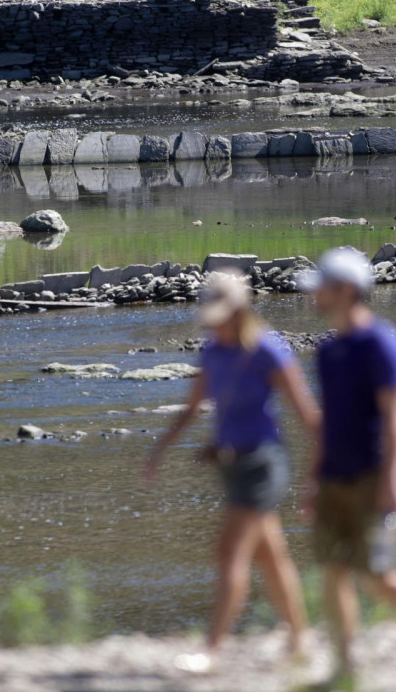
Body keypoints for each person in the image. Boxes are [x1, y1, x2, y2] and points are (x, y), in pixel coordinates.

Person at [143, 272, 319, 674]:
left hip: (263, 464)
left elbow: (306, 415)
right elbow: (193, 409)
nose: (213, 322)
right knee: (271, 557)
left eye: (221, 315)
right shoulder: (212, 352)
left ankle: (211, 650)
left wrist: (318, 473)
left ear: (240, 310)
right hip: (230, 464)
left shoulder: (268, 350)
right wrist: (158, 451)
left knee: (229, 553)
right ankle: (300, 640)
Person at [297, 247, 396, 686]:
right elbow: (327, 419)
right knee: (333, 572)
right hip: (332, 479)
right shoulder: (328, 350)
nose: (314, 297)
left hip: (371, 477)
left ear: (346, 291)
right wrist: (312, 477)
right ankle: (345, 669)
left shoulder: (382, 343)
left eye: (321, 289)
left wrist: (394, 477)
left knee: (377, 575)